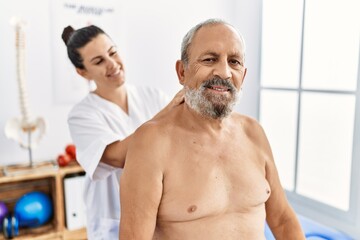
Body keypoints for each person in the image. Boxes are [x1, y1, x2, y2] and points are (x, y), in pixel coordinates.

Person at [119, 19, 305, 239]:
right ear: (182, 72)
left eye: (234, 62)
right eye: (210, 59)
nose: (224, 72)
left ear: (243, 76)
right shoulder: (151, 142)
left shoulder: (253, 132)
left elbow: (283, 220)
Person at [62, 25, 183, 239]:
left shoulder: (152, 96)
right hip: (112, 220)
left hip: (158, 213)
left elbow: (179, 141)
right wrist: (168, 115)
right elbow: (118, 156)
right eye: (99, 61)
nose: (112, 64)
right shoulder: (81, 115)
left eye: (113, 52)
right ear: (82, 72)